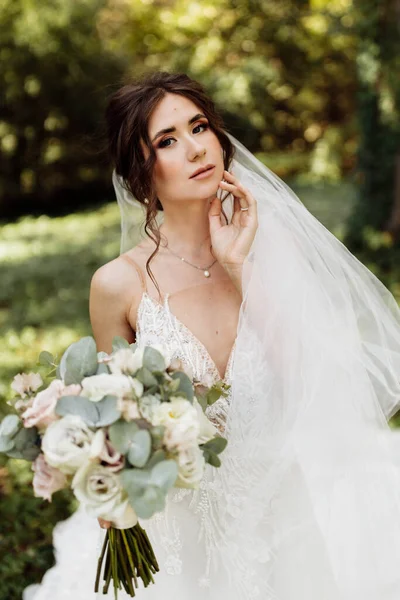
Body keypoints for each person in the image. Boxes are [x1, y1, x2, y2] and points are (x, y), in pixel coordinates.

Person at [23, 71, 400, 600]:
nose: (197, 148)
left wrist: (240, 265)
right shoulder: (117, 284)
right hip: (180, 539)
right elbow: (115, 428)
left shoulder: (266, 250)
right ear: (140, 173)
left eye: (199, 127)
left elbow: (313, 383)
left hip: (280, 520)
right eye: (167, 140)